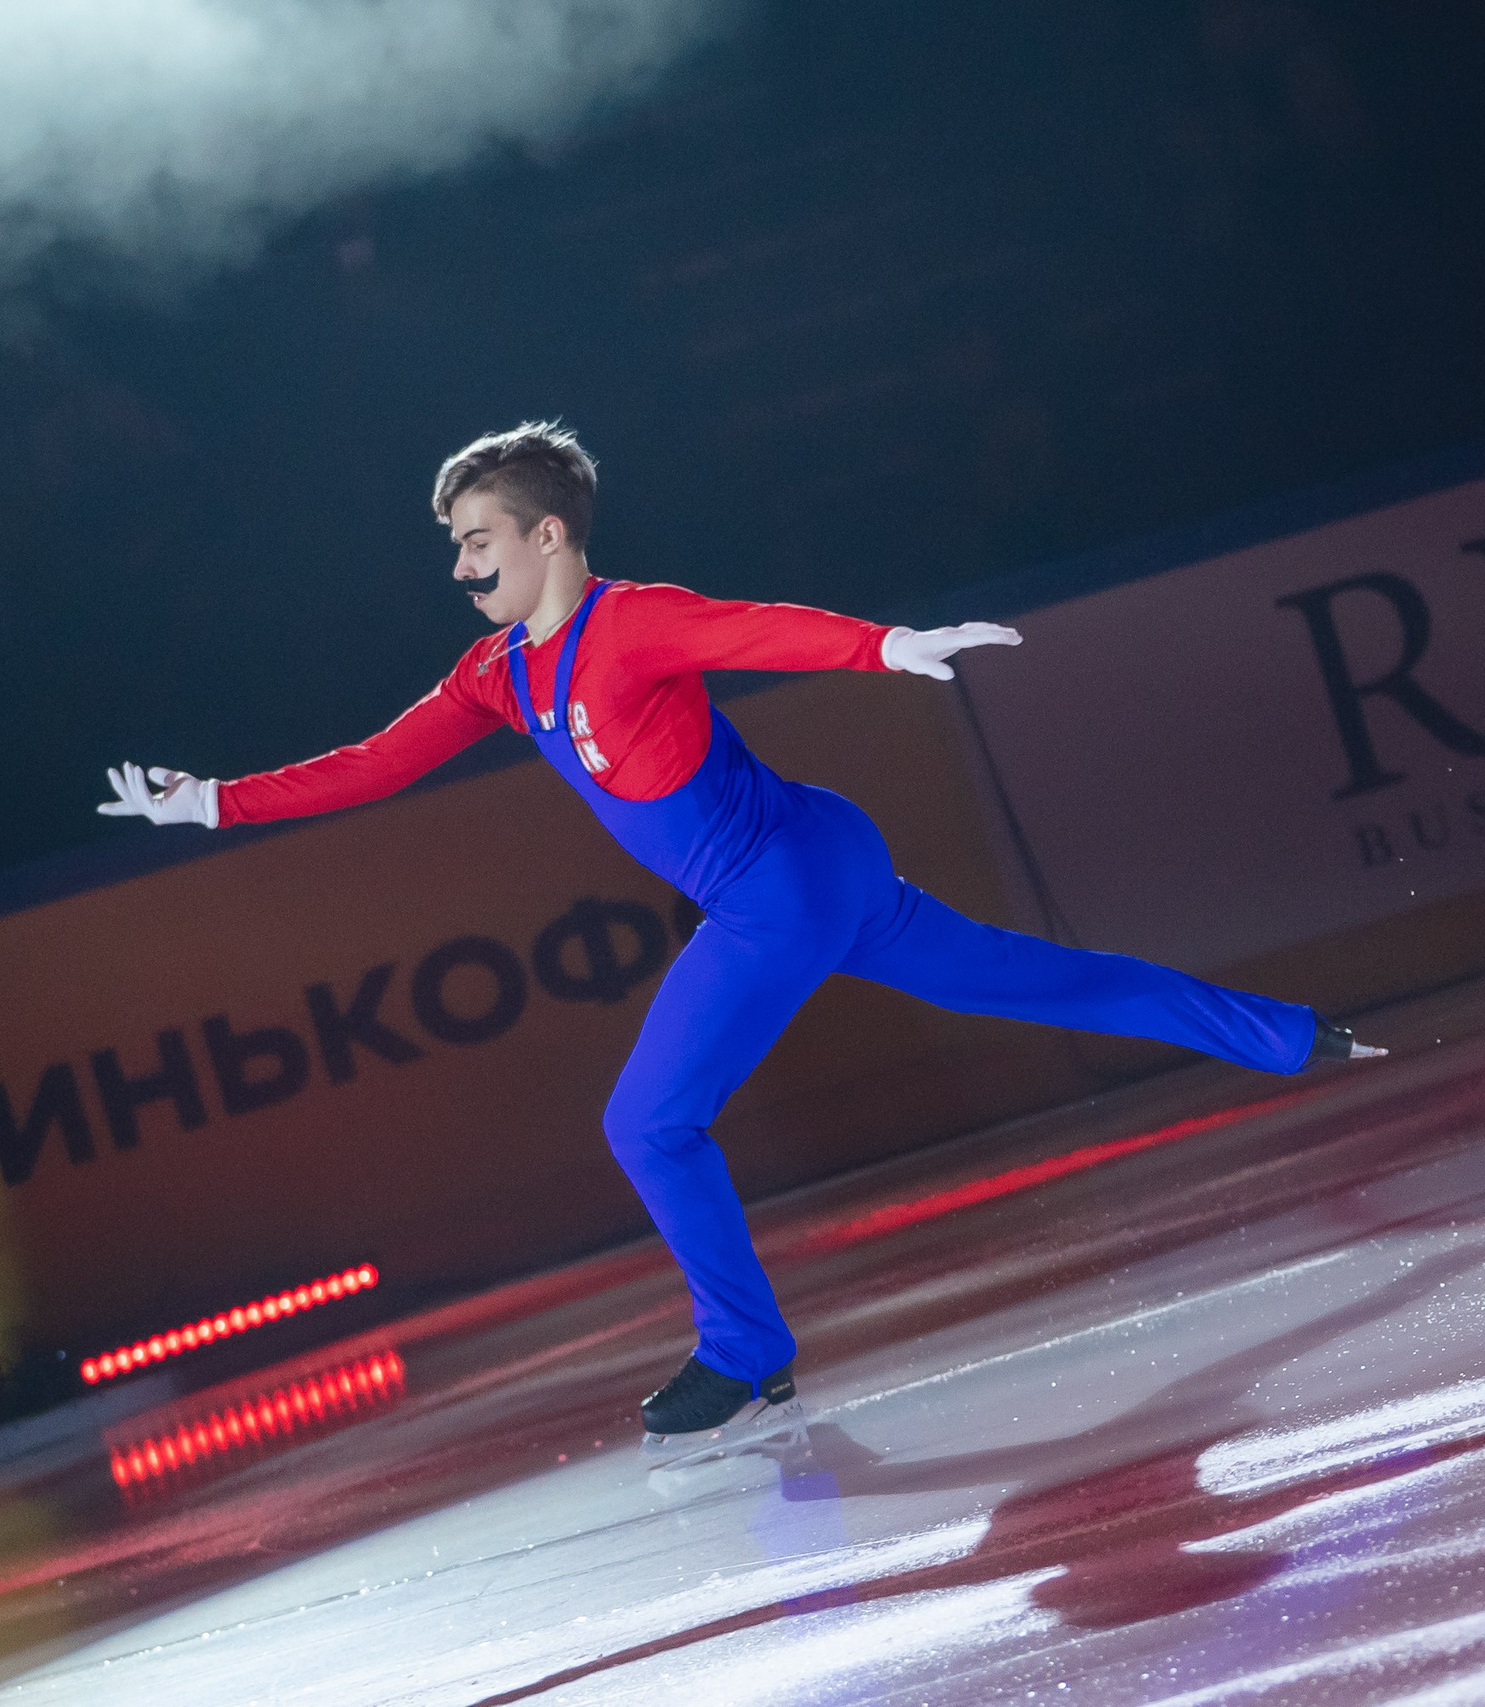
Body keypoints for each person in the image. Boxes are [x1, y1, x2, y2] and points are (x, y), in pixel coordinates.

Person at [100, 422, 1383, 1446]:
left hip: (784, 885)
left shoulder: (633, 621)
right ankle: (1292, 1038)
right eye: (453, 546)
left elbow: (755, 629)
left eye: (477, 540)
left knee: (646, 1123)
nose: (460, 567)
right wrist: (210, 801)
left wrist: (890, 646)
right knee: (1032, 979)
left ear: (549, 535)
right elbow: (380, 764)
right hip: (817, 862)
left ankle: (744, 1356)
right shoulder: (494, 675)